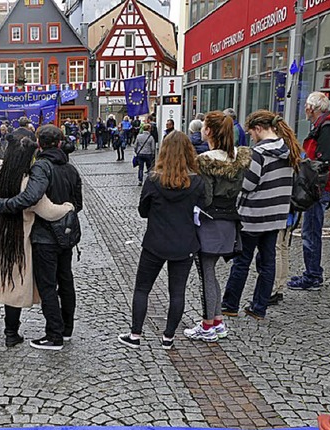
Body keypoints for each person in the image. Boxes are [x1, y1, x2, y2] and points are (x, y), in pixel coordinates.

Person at [0, 131, 73, 347]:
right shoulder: (27, 182)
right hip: (14, 235)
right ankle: (11, 334)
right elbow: (48, 211)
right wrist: (68, 207)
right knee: (13, 282)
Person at [0, 124, 83, 351]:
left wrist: (4, 204)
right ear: (60, 143)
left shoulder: (42, 166)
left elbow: (31, 197)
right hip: (67, 234)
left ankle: (54, 335)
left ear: (40, 144)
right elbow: (77, 204)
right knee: (66, 280)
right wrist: (65, 211)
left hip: (45, 237)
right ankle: (66, 328)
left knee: (48, 285)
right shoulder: (70, 169)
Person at [118, 131, 205, 350]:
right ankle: (168, 337)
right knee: (177, 292)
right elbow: (202, 208)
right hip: (184, 243)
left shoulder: (153, 180)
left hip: (155, 242)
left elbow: (142, 211)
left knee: (142, 289)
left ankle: (135, 334)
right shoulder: (197, 182)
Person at [221, 111, 299, 319]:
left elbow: (249, 184)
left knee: (242, 261)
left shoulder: (259, 153)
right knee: (268, 262)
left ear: (258, 129)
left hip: (254, 216)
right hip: (276, 215)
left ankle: (230, 305)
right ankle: (259, 307)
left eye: (251, 133)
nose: (251, 137)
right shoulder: (288, 149)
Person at [184, 111, 251, 342]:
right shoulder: (237, 160)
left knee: (206, 275)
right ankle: (218, 321)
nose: (201, 129)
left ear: (209, 131)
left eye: (204, 126)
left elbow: (205, 197)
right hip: (229, 221)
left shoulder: (205, 161)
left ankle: (207, 325)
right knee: (211, 275)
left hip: (209, 223)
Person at [288, 91, 330, 291]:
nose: (304, 108)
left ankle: (312, 276)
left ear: (311, 108)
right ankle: (312, 272)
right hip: (317, 187)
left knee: (311, 231)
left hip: (318, 189)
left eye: (306, 105)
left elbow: (324, 161)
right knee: (310, 231)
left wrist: (309, 176)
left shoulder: (327, 128)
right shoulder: (324, 126)